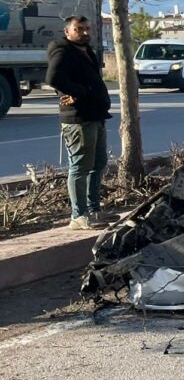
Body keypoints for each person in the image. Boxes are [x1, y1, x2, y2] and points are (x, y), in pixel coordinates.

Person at [45, 15, 112, 230]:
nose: (84, 32)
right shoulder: (63, 50)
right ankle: (78, 215)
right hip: (78, 118)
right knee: (80, 167)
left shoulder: (85, 49)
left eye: (87, 28)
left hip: (95, 115)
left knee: (98, 164)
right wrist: (77, 92)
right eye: (78, 29)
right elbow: (53, 77)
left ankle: (94, 210)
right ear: (67, 31)